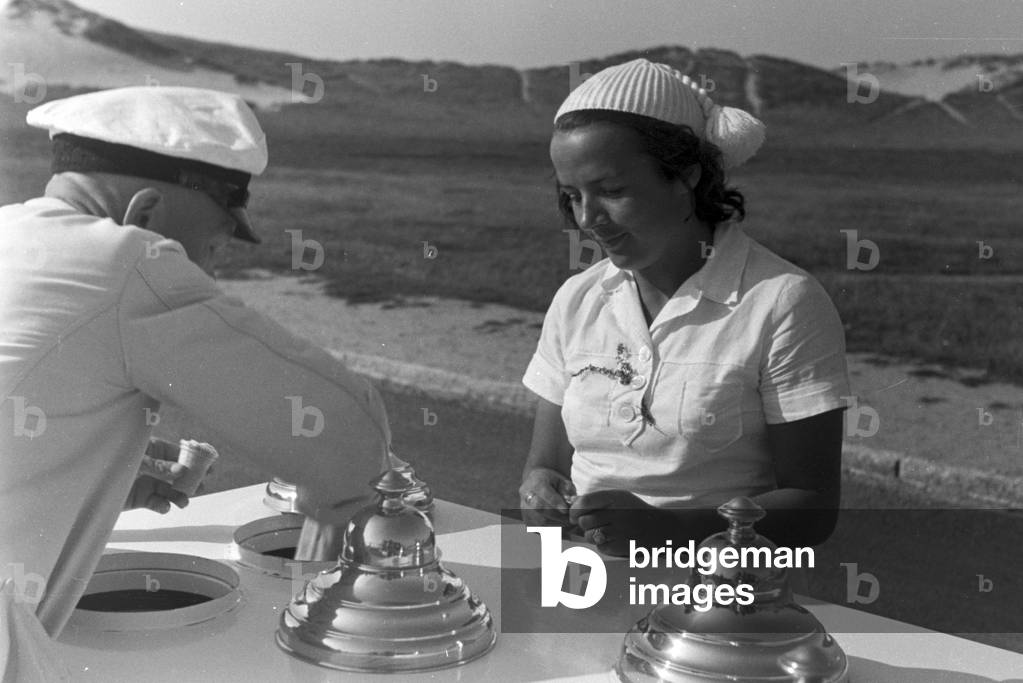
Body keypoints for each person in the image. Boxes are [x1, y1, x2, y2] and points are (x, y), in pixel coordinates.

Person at [0, 86, 391, 679]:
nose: (205, 273)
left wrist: (97, 472)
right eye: (207, 249)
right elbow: (347, 438)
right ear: (147, 215)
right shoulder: (124, 260)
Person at [519, 59, 850, 557]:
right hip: (578, 579)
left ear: (686, 177)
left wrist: (672, 531)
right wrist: (539, 492)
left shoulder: (781, 302)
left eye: (611, 191)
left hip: (720, 599)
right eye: (571, 196)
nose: (588, 219)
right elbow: (544, 465)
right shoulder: (578, 299)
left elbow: (813, 508)